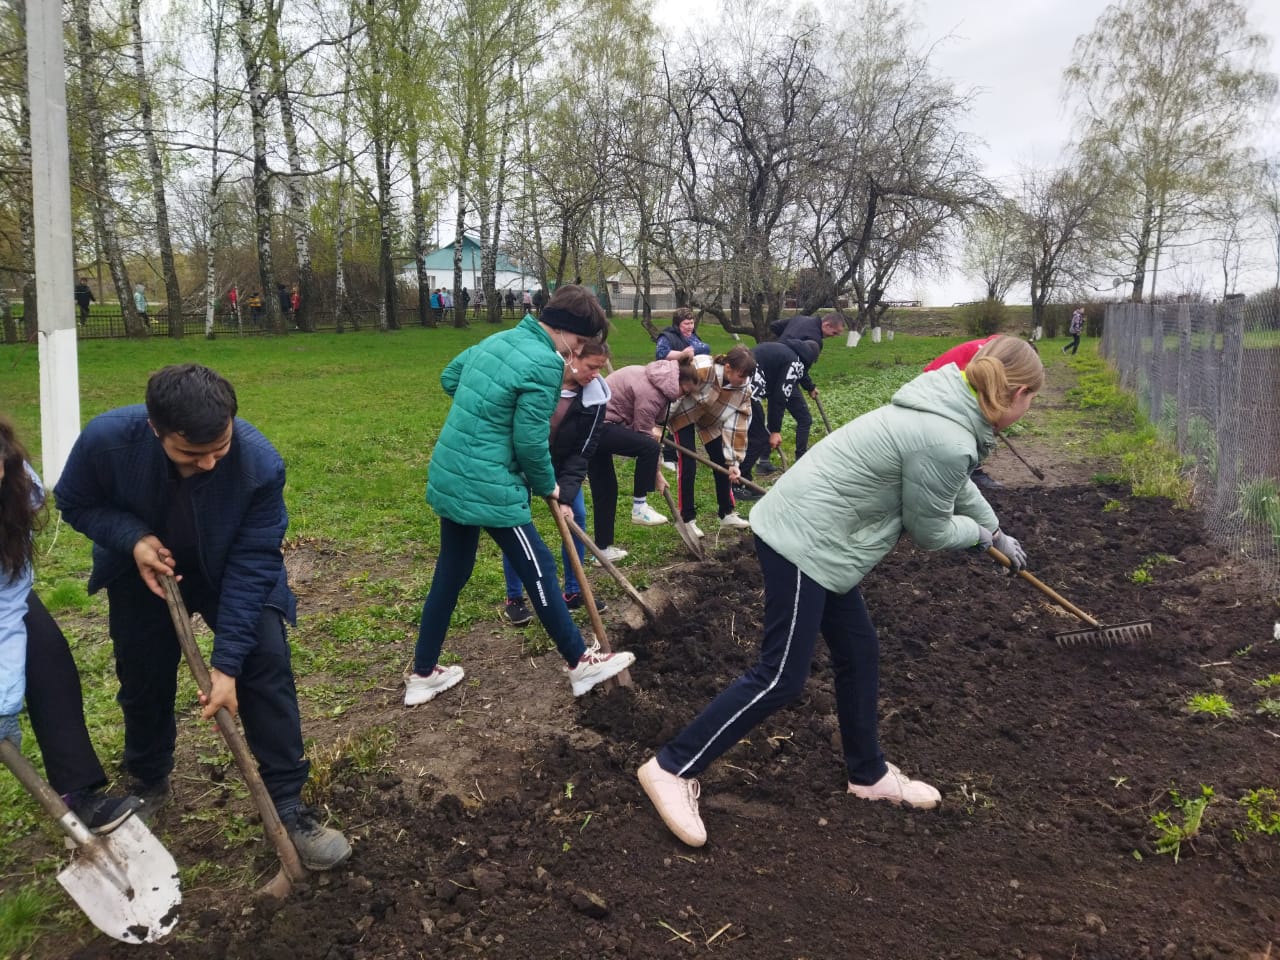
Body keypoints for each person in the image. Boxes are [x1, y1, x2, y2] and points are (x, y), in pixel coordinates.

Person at [637, 336, 1043, 847]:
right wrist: (983, 538)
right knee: (782, 675)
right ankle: (673, 767)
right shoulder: (948, 434)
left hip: (818, 537)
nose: (1030, 410)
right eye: (1033, 401)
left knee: (859, 651)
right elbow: (932, 530)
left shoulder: (947, 408)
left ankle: (867, 774)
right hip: (806, 540)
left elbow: (956, 484)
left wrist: (997, 529)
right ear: (1018, 392)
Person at [53, 364, 352, 869]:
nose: (211, 462)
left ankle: (288, 804)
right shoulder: (106, 442)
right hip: (145, 572)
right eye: (192, 453)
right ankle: (149, 780)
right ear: (155, 428)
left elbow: (255, 558)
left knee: (265, 664)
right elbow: (75, 503)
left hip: (229, 570)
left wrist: (227, 665)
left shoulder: (258, 463)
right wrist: (133, 540)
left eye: (220, 446)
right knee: (143, 676)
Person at [406, 285, 634, 706]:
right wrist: (548, 483)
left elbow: (451, 377)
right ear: (566, 332)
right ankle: (579, 663)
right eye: (580, 343)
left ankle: (422, 674)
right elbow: (531, 443)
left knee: (452, 572)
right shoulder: (545, 362)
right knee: (540, 565)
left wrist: (485, 415)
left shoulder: (497, 339)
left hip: (453, 471)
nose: (577, 351)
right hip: (489, 482)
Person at [1, 419, 141, 834]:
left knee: (48, 659)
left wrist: (5, 697)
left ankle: (79, 794)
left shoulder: (17, 487)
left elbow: (8, 597)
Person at [501, 340, 612, 625]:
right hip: (518, 460)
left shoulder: (595, 398)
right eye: (591, 367)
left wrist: (566, 495)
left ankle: (573, 593)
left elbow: (583, 451)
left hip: (562, 464)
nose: (596, 374)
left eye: (600, 368)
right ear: (572, 356)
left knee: (578, 518)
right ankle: (515, 598)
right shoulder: (539, 379)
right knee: (515, 524)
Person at [587, 357, 698, 562]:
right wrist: (655, 474)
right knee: (650, 447)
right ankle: (640, 507)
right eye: (685, 390)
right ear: (678, 381)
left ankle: (602, 550)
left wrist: (655, 471)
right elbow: (644, 434)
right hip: (598, 425)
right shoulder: (653, 392)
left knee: (606, 489)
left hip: (597, 425)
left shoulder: (658, 377)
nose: (683, 396)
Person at [666, 346, 756, 536]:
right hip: (684, 412)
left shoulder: (743, 389)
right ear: (728, 368)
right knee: (688, 462)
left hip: (711, 419)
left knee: (722, 462)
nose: (745, 380)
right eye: (742, 375)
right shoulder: (702, 368)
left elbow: (737, 425)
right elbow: (673, 392)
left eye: (747, 376)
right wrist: (659, 423)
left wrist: (734, 461)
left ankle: (727, 513)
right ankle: (687, 518)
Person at [756, 313, 846, 473]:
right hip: (784, 374)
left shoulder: (800, 318)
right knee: (804, 418)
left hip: (774, 369)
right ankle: (800, 459)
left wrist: (784, 342)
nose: (834, 337)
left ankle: (763, 460)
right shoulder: (814, 340)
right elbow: (799, 368)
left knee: (774, 410)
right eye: (834, 333)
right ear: (826, 325)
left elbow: (775, 325)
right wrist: (809, 386)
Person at [737, 337, 820, 499]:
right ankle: (737, 483)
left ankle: (744, 481)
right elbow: (780, 397)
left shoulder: (785, 350)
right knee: (760, 438)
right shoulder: (794, 362)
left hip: (741, 381)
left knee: (753, 435)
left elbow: (799, 375)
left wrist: (809, 386)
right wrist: (775, 430)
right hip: (748, 389)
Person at [923, 334, 1008, 490]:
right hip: (940, 382)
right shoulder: (994, 353)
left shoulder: (996, 348)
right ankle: (972, 474)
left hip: (946, 378)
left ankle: (966, 471)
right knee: (967, 423)